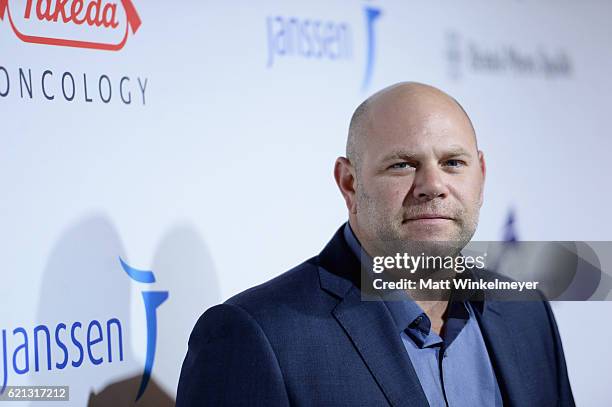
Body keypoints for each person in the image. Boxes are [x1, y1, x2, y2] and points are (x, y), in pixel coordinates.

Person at [176, 82, 574, 406]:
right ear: (350, 184)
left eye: (453, 162)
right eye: (402, 164)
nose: (433, 186)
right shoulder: (256, 336)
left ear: (481, 176)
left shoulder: (526, 311)